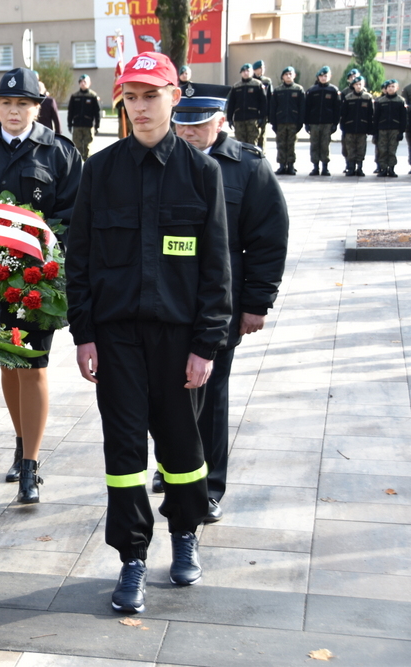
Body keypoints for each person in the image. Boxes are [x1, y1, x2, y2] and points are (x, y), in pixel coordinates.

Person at [65, 52, 231, 615]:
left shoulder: (202, 173)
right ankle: (131, 557)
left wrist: (206, 344)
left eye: (150, 96)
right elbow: (79, 259)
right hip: (116, 339)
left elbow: (216, 269)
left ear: (173, 97)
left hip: (180, 339)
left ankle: (184, 533)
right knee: (124, 451)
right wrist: (83, 334)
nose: (139, 108)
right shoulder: (100, 170)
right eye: (130, 97)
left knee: (183, 449)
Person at [0, 66, 81, 503]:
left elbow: (72, 217)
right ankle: (21, 441)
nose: (14, 111)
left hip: (36, 282)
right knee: (8, 364)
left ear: (37, 107)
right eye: (7, 103)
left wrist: (50, 262)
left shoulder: (59, 153)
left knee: (35, 364)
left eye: (23, 104)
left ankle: (31, 464)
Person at [171, 82, 289, 524]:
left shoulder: (249, 168)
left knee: (212, 394)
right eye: (181, 123)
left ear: (221, 120)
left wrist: (257, 302)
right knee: (169, 391)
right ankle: (177, 466)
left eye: (197, 124)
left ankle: (210, 485)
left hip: (221, 301)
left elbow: (268, 240)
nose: (187, 133)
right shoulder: (163, 159)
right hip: (167, 301)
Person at [305, 66, 340, 176]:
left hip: (327, 122)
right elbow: (307, 108)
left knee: (325, 145)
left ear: (330, 77)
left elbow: (337, 109)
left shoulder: (333, 91)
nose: (323, 78)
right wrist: (306, 123)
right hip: (314, 122)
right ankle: (315, 167)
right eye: (321, 76)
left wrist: (335, 123)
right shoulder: (312, 90)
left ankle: (325, 167)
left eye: (326, 76)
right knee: (315, 144)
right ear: (318, 77)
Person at [269, 66, 304, 175]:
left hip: (293, 121)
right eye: (286, 74)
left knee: (291, 144)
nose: (288, 76)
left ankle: (291, 166)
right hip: (280, 122)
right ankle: (281, 165)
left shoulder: (298, 89)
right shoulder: (278, 90)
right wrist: (273, 122)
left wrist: (300, 122)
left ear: (294, 76)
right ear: (282, 77)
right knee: (281, 144)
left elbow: (302, 107)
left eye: (290, 74)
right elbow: (273, 107)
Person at [340, 76, 373, 177]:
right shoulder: (348, 97)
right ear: (353, 85)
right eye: (356, 84)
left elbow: (371, 114)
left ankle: (359, 168)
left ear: (364, 85)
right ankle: (351, 168)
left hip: (362, 128)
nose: (359, 86)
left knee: (361, 149)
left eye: (361, 84)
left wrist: (369, 128)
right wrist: (343, 127)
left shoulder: (367, 98)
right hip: (350, 127)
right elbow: (344, 114)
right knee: (350, 149)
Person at [226, 63, 266, 146]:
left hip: (253, 119)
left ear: (252, 72)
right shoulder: (236, 86)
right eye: (243, 71)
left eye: (248, 71)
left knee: (252, 144)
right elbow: (231, 103)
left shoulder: (257, 84)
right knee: (240, 144)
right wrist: (229, 118)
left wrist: (262, 117)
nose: (245, 73)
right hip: (239, 119)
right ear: (241, 73)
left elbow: (263, 102)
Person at [373, 79, 406, 178]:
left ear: (397, 88)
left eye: (393, 86)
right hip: (382, 129)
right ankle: (383, 169)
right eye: (389, 87)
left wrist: (401, 131)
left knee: (392, 150)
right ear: (385, 89)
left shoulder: (400, 101)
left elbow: (403, 118)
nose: (391, 88)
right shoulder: (380, 101)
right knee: (382, 150)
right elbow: (376, 117)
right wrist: (375, 132)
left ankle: (391, 168)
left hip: (394, 129)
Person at [67, 74, 101, 160]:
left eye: (85, 81)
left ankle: (87, 165)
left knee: (88, 148)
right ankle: (78, 166)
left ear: (89, 83)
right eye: (81, 82)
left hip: (88, 126)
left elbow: (97, 112)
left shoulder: (93, 96)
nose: (83, 83)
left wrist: (97, 125)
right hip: (77, 126)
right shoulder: (75, 96)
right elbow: (70, 111)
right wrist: (69, 124)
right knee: (77, 147)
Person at [252, 60, 273, 152]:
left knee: (262, 136)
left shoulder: (267, 81)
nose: (262, 70)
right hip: (252, 113)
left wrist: (269, 114)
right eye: (260, 68)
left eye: (263, 68)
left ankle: (262, 155)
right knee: (252, 137)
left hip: (263, 112)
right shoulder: (250, 81)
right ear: (255, 70)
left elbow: (270, 98)